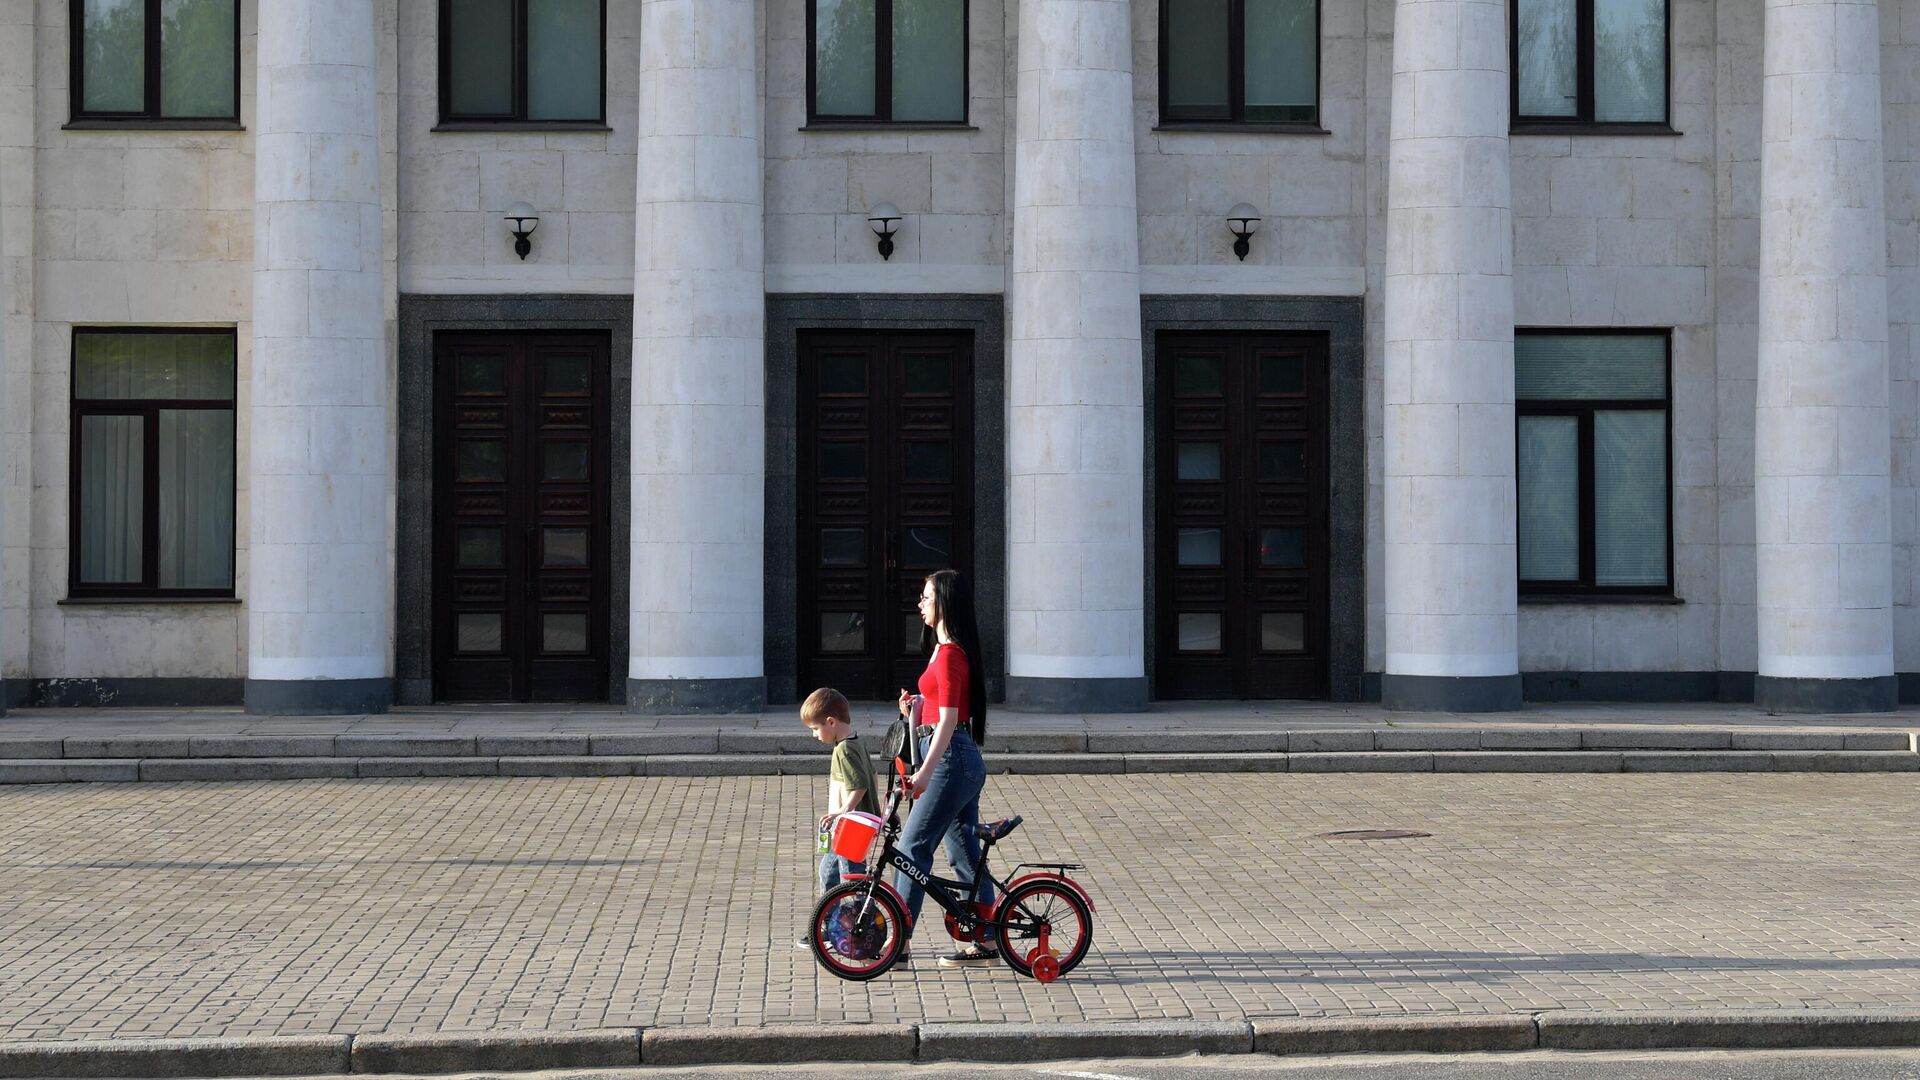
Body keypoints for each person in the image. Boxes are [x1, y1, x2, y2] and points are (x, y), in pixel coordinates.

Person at [894, 568, 996, 967]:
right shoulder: (941, 649)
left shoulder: (952, 654)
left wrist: (923, 773)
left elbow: (950, 720)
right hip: (953, 757)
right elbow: (937, 710)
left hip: (952, 760)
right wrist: (915, 706)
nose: (920, 604)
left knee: (910, 848)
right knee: (963, 853)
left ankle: (897, 944)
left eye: (926, 597)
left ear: (945, 602)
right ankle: (986, 941)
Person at [797, 687, 881, 949]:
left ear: (831, 722)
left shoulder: (843, 750)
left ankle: (862, 931)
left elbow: (859, 786)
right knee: (829, 872)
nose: (815, 735)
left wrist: (842, 812)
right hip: (848, 825)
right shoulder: (856, 742)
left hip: (851, 826)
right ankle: (829, 925)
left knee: (851, 880)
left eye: (815, 728)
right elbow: (873, 777)